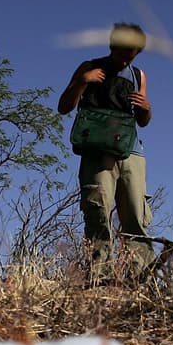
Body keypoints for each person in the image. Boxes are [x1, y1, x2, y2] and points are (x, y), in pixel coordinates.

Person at [57, 22, 154, 284]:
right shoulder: (89, 66)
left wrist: (146, 107)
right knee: (98, 214)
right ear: (112, 46)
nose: (125, 61)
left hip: (131, 152)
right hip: (97, 151)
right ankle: (100, 279)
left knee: (136, 217)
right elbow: (64, 107)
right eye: (122, 54)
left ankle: (141, 280)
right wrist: (82, 82)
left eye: (131, 56)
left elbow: (143, 121)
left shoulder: (138, 75)